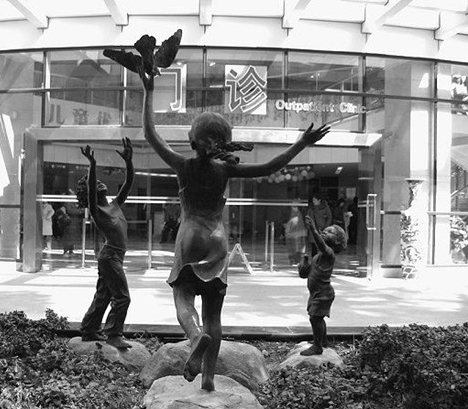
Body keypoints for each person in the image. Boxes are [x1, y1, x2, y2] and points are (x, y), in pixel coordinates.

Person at [139, 62, 330, 391]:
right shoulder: (225, 171)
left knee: (183, 298)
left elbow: (151, 134)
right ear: (224, 142)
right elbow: (269, 166)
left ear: (192, 139)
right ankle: (209, 379)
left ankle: (195, 337)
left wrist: (149, 89)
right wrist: (301, 143)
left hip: (188, 238)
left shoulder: (183, 165)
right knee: (215, 314)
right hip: (217, 242)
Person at [77, 138, 134, 349]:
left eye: (99, 181)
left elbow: (128, 183)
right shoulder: (97, 210)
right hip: (110, 256)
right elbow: (92, 189)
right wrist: (92, 166)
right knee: (123, 298)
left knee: (103, 295)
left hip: (113, 256)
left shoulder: (115, 204)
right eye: (94, 183)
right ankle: (113, 333)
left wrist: (129, 162)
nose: (99, 183)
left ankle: (89, 328)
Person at [298, 215, 347, 356]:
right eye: (324, 230)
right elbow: (305, 274)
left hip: (323, 293)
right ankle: (323, 341)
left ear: (337, 240)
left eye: (330, 232)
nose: (325, 232)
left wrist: (314, 230)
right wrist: (305, 265)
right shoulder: (318, 256)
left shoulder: (329, 254)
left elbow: (321, 244)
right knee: (317, 317)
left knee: (315, 318)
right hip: (316, 293)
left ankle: (317, 346)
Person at [306, 191, 332, 256]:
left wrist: (326, 227)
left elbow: (329, 217)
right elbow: (307, 217)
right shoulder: (311, 208)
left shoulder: (325, 207)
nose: (313, 201)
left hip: (321, 230)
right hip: (313, 230)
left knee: (321, 247)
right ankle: (314, 262)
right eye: (312, 200)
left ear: (319, 200)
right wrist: (308, 226)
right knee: (314, 248)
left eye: (314, 200)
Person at [62, 189, 83, 257]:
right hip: (69, 223)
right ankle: (65, 252)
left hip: (74, 223)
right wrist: (80, 211)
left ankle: (71, 251)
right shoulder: (67, 203)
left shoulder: (73, 203)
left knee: (72, 238)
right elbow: (70, 211)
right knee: (68, 238)